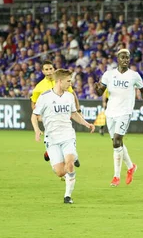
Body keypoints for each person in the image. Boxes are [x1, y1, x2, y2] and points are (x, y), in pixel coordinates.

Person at [31, 69, 95, 204]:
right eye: (68, 81)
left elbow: (73, 114)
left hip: (68, 136)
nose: (70, 84)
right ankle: (67, 155)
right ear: (59, 81)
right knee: (60, 172)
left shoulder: (69, 96)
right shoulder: (45, 97)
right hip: (52, 139)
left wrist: (86, 124)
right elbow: (34, 116)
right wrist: (37, 130)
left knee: (70, 164)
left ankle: (67, 196)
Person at [95, 48, 143, 187]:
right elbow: (99, 92)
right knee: (117, 143)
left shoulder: (134, 75)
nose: (125, 60)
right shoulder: (108, 75)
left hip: (125, 112)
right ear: (117, 59)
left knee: (116, 142)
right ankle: (131, 166)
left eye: (127, 57)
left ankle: (116, 177)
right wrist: (97, 88)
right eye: (123, 57)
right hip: (110, 113)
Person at [31, 60, 81, 167]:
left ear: (54, 69)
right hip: (50, 119)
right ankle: (66, 158)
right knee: (54, 140)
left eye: (51, 69)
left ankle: (70, 157)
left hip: (62, 115)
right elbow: (34, 103)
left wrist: (78, 110)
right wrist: (38, 116)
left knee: (67, 138)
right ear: (43, 71)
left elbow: (73, 94)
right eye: (46, 69)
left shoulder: (61, 81)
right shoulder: (39, 87)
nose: (49, 72)